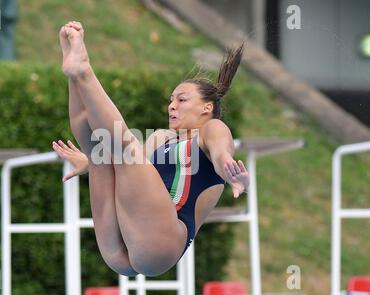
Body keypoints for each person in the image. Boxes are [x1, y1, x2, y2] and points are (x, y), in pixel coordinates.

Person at [52, 21, 249, 277]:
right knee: (99, 151)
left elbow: (222, 153)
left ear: (206, 108)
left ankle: (84, 70)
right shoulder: (161, 138)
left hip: (162, 243)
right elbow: (130, 176)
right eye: (170, 100)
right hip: (120, 250)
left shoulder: (212, 129)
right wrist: (89, 163)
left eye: (181, 99)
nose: (171, 106)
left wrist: (230, 173)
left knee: (122, 148)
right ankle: (74, 75)